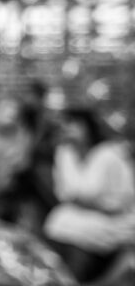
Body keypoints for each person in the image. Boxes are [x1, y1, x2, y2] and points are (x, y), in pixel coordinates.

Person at [44, 108, 135, 283]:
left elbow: (125, 197)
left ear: (88, 126)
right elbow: (63, 192)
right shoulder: (64, 153)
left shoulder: (110, 154)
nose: (66, 129)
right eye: (63, 126)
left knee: (76, 258)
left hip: (108, 220)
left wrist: (93, 204)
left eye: (71, 124)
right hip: (72, 218)